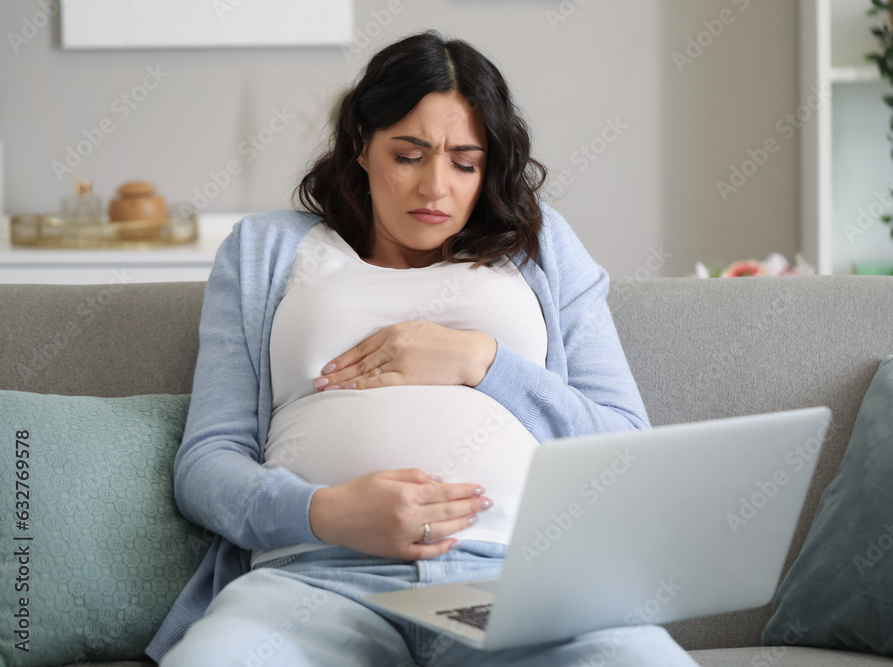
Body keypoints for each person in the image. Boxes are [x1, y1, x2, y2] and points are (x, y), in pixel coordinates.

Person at [148, 29, 699, 666]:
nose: (436, 188)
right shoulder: (266, 250)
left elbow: (625, 447)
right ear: (360, 143)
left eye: (465, 163)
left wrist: (483, 363)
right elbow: (206, 464)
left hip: (517, 585)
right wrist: (322, 512)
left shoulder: (541, 249)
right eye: (409, 155)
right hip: (315, 581)